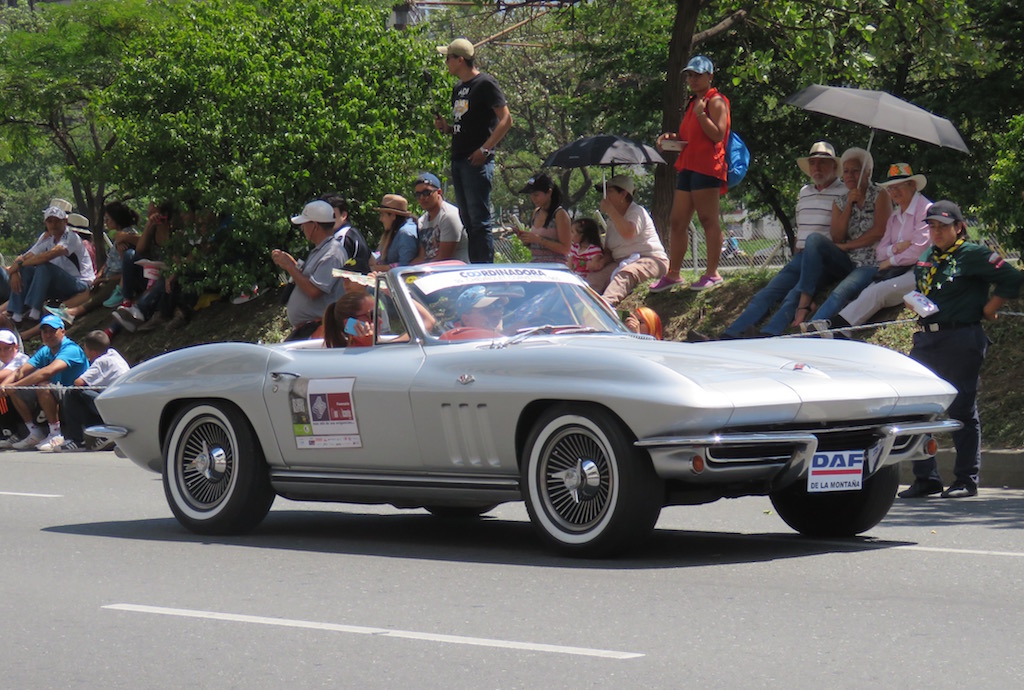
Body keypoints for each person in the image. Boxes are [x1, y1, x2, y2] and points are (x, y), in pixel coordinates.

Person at [897, 201, 1023, 498]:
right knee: (918, 408)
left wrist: (991, 307)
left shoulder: (973, 254)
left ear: (959, 227)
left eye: (943, 226)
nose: (937, 232)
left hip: (961, 337)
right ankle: (926, 477)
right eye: (932, 226)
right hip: (927, 338)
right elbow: (926, 289)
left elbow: (1013, 278)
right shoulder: (927, 255)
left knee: (961, 407)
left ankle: (966, 479)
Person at [720, 141, 847, 338]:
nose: (817, 168)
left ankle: (769, 334)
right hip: (801, 256)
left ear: (834, 166)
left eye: (823, 163)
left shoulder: (844, 192)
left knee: (793, 295)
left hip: (825, 259)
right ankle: (728, 336)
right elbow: (801, 226)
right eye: (813, 163)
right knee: (766, 293)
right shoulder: (804, 192)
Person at [804, 163, 931, 335]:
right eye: (891, 188)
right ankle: (836, 329)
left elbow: (918, 252)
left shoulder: (925, 210)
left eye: (899, 186)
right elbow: (880, 251)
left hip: (922, 271)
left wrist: (890, 260)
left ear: (913, 186)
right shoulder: (895, 216)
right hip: (898, 269)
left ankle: (833, 328)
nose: (894, 192)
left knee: (880, 290)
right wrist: (897, 248)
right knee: (869, 291)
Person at [787, 147, 891, 328]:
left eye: (855, 171)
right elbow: (837, 236)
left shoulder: (880, 194)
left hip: (871, 261)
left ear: (867, 172)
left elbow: (880, 231)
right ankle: (805, 299)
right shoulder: (841, 201)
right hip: (846, 260)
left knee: (839, 292)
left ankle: (811, 328)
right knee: (814, 239)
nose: (849, 175)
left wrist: (849, 246)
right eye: (847, 171)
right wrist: (850, 204)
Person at [652, 55, 730, 292]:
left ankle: (712, 273)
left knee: (708, 220)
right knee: (677, 221)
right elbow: (690, 138)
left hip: (707, 168)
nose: (693, 79)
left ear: (710, 76)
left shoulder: (714, 101)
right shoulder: (694, 103)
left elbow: (717, 134)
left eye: (698, 75)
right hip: (688, 165)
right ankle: (673, 273)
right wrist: (671, 139)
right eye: (690, 75)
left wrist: (701, 114)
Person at [434, 37, 513, 263]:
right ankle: (475, 265)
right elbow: (464, 125)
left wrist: (485, 150)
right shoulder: (458, 88)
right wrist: (447, 128)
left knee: (479, 219)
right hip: (458, 158)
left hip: (477, 160)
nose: (446, 63)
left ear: (460, 59)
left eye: (448, 58)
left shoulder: (485, 84)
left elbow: (506, 120)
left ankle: (484, 268)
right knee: (467, 218)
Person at [0, 314, 88, 450]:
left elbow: (47, 372)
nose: (48, 335)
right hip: (59, 394)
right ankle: (35, 433)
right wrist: (6, 386)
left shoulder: (71, 349)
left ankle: (56, 434)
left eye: (53, 331)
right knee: (17, 389)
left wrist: (14, 385)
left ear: (63, 332)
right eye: (45, 331)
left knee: (42, 385)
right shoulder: (45, 350)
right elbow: (20, 372)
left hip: (76, 395)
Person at [0, 205, 94, 328]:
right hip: (57, 283)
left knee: (44, 266)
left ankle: (34, 313)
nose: (53, 225)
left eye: (57, 221)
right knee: (27, 269)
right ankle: (16, 314)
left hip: (78, 284)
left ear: (65, 222)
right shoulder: (47, 239)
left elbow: (46, 257)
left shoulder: (71, 237)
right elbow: (27, 256)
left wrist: (17, 266)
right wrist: (16, 270)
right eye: (50, 221)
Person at [38, 330, 130, 452]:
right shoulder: (115, 356)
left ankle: (76, 440)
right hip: (123, 404)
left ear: (93, 352)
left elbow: (79, 383)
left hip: (113, 407)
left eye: (85, 349)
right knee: (86, 396)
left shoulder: (101, 361)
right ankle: (102, 434)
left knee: (73, 393)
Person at [585, 175, 668, 307]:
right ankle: (578, 306)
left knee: (626, 273)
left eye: (609, 192)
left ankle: (605, 307)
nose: (605, 197)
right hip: (619, 262)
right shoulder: (612, 221)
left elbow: (629, 233)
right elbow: (609, 251)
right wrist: (601, 262)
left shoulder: (637, 212)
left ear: (623, 194)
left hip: (649, 260)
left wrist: (611, 211)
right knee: (594, 279)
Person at [272, 199, 348, 341]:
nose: (302, 228)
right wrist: (293, 265)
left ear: (315, 226)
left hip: (319, 329)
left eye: (305, 224)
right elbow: (307, 279)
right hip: (309, 329)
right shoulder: (321, 250)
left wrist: (289, 266)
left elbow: (314, 290)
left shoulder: (332, 253)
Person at [411, 172, 469, 263]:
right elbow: (421, 258)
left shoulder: (449, 216)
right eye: (418, 195)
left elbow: (443, 259)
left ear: (439, 192)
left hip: (453, 272)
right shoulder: (422, 221)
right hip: (431, 271)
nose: (422, 198)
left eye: (426, 193)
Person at [515, 173, 570, 264]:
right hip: (537, 265)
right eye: (531, 195)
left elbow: (566, 249)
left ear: (549, 192)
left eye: (536, 195)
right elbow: (538, 246)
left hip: (555, 266)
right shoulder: (536, 212)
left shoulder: (560, 214)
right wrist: (527, 240)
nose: (533, 198)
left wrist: (538, 239)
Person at [322, 193, 371, 274]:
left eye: (332, 214)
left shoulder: (343, 236)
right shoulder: (353, 233)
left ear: (344, 215)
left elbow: (334, 270)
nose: (328, 218)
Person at [369, 194, 420, 271]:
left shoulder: (406, 234)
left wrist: (377, 268)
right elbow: (381, 255)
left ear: (393, 216)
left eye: (382, 215)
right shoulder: (394, 231)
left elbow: (405, 266)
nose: (380, 219)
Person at [0, 329, 31, 446]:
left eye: (6, 348)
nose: (3, 352)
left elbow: (4, 375)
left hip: (29, 398)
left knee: (3, 392)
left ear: (16, 347)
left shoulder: (21, 359)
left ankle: (11, 432)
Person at [440, 285, 506, 340]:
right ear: (466, 320)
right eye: (487, 310)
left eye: (499, 306)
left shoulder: (514, 339)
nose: (496, 313)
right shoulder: (454, 345)